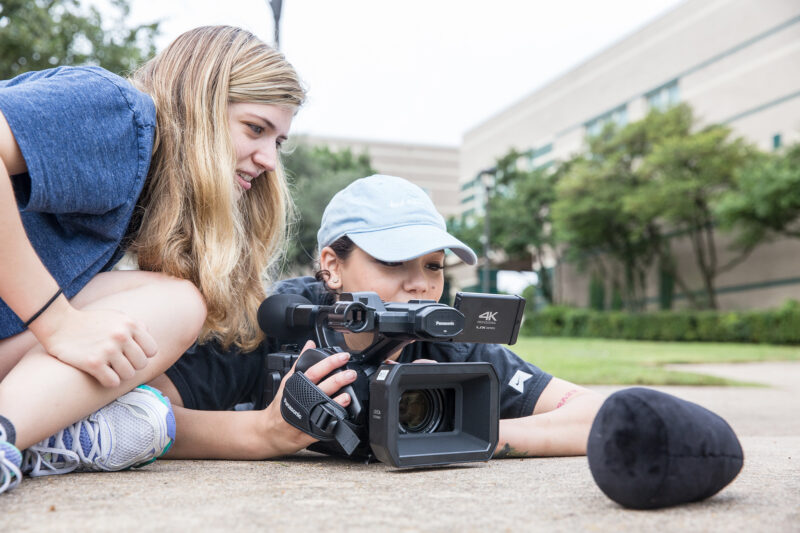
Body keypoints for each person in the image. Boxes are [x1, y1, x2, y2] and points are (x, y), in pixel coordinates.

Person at [0, 26, 305, 493]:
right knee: (176, 304)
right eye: (255, 128)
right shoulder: (118, 114)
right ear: (202, 104)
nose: (268, 159)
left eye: (278, 142)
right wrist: (57, 322)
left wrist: (265, 430)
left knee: (166, 334)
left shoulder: (145, 194)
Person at [152, 174, 604, 460]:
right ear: (331, 265)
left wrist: (463, 430)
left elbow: (591, 415)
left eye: (433, 265)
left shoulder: (446, 338)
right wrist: (265, 431)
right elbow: (142, 415)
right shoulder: (275, 321)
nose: (421, 285)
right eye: (393, 262)